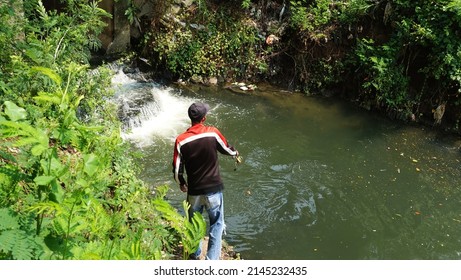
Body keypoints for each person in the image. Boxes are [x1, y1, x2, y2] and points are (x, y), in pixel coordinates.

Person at [172, 102, 239, 260]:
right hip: (214, 189)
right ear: (204, 118)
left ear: (190, 118)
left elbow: (176, 168)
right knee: (216, 224)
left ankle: (194, 254)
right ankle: (211, 261)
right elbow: (227, 149)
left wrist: (181, 183)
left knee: (194, 223)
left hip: (194, 191)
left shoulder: (181, 140)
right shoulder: (212, 132)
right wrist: (236, 153)